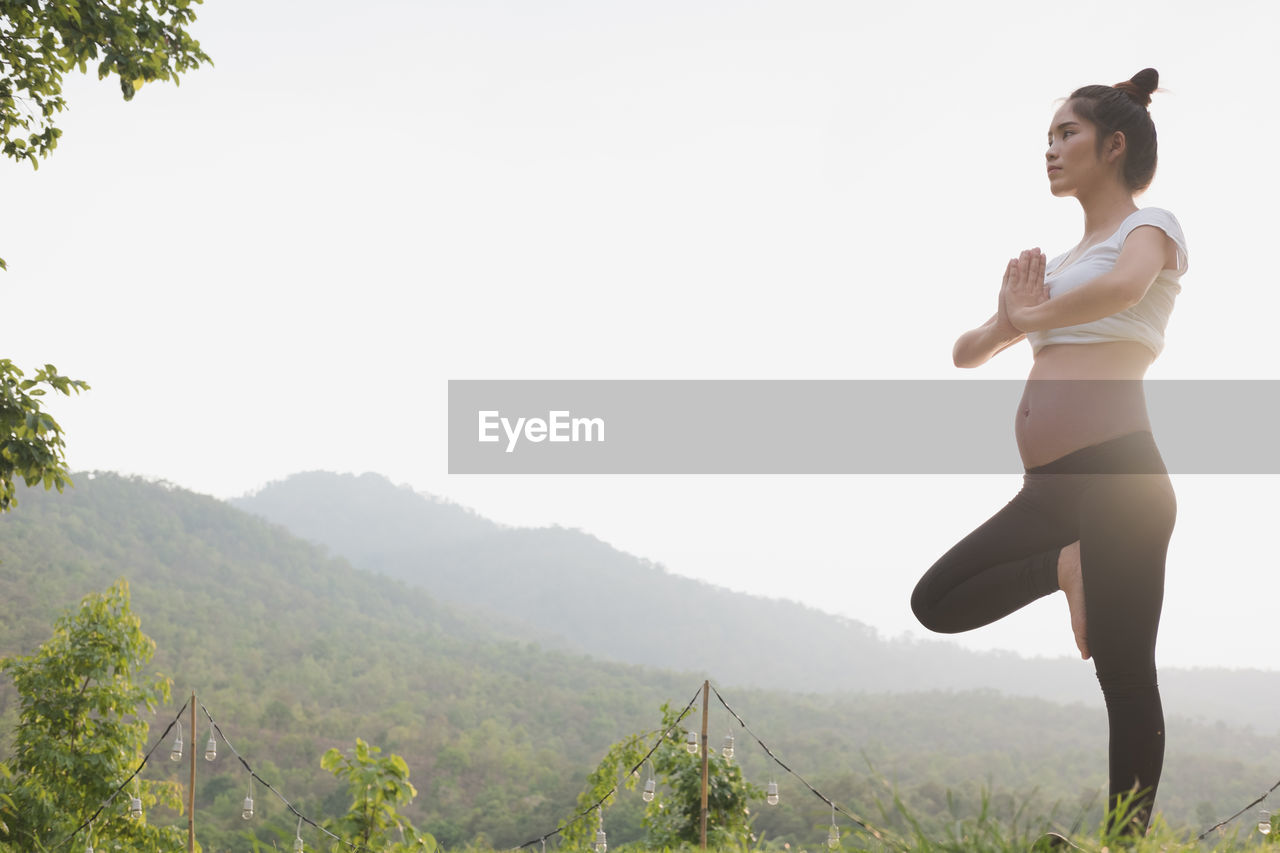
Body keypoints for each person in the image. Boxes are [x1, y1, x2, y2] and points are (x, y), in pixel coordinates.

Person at [909, 68, 1187, 835]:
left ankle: (1119, 845)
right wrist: (1008, 322)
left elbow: (1126, 291)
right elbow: (967, 351)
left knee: (1124, 675)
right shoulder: (1058, 265)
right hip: (1047, 492)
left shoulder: (1149, 228)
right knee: (935, 601)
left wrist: (1039, 312)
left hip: (1120, 479)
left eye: (1067, 133)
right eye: (1049, 136)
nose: (1052, 148)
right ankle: (1065, 565)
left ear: (1115, 144)